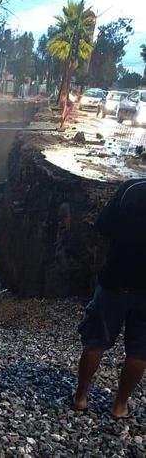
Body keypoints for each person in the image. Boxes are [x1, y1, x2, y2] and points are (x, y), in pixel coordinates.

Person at [75, 177, 146, 418]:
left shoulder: (133, 188)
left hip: (116, 280)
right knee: (139, 352)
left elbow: (103, 227)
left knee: (96, 341)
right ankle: (119, 406)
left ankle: (81, 397)